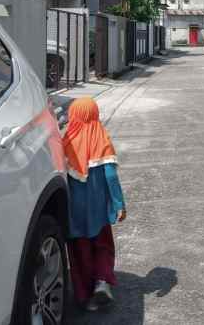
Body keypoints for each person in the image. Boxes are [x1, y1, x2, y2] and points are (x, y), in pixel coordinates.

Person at [62, 96, 126, 311]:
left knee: (80, 253)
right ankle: (102, 280)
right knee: (103, 246)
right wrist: (119, 204)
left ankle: (84, 295)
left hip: (74, 215)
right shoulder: (102, 138)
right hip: (99, 213)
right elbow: (110, 176)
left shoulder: (66, 143)